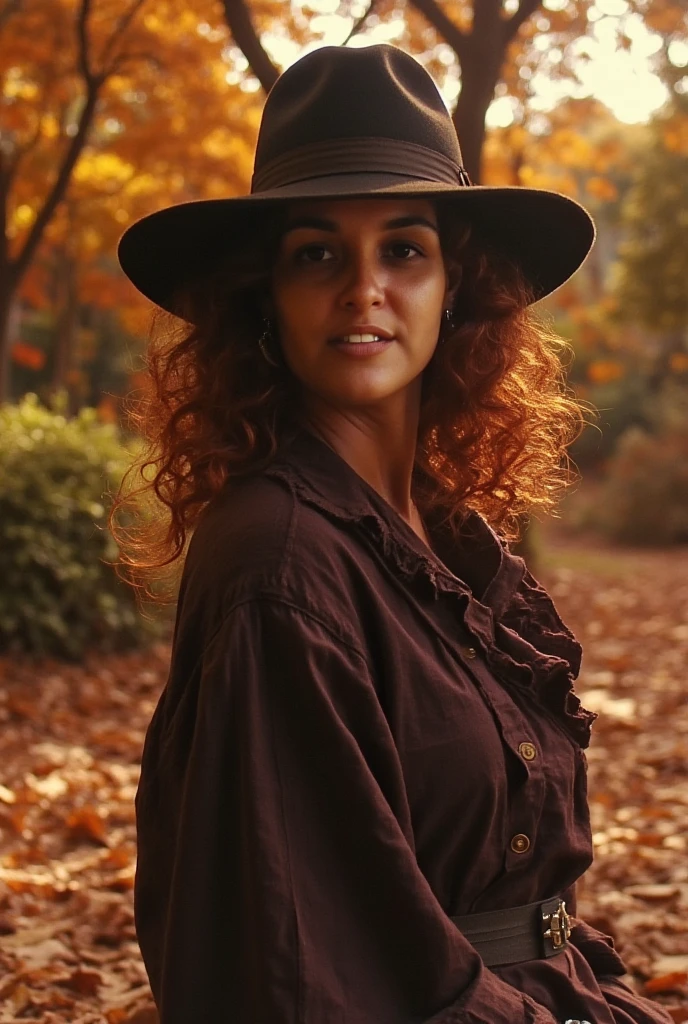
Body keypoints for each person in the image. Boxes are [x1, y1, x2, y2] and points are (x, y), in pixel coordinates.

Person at [115, 43, 673, 1024]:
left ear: (454, 285)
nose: (362, 287)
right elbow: (308, 956)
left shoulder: (440, 542)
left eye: (403, 249)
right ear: (266, 296)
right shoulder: (280, 566)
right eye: (318, 252)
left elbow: (517, 892)